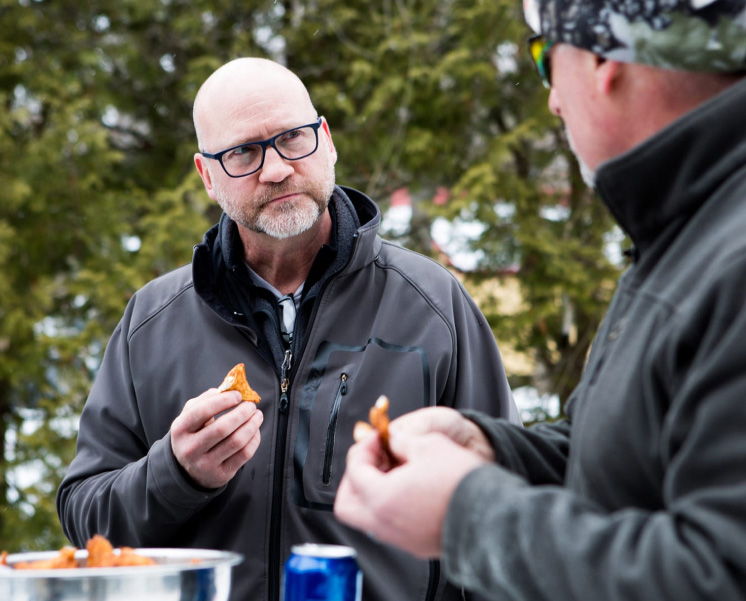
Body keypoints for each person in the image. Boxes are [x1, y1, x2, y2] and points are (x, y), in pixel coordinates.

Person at [55, 57, 521, 601]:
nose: (275, 169)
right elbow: (86, 521)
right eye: (243, 153)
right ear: (207, 176)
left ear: (326, 141)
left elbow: (505, 509)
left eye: (293, 138)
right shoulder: (152, 322)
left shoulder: (432, 305)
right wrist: (176, 474)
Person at [333, 1, 746, 600]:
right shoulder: (688, 228)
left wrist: (468, 516)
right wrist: (497, 451)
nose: (552, 100)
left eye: (544, 57)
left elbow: (717, 575)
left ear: (604, 55)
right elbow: (636, 455)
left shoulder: (726, 251)